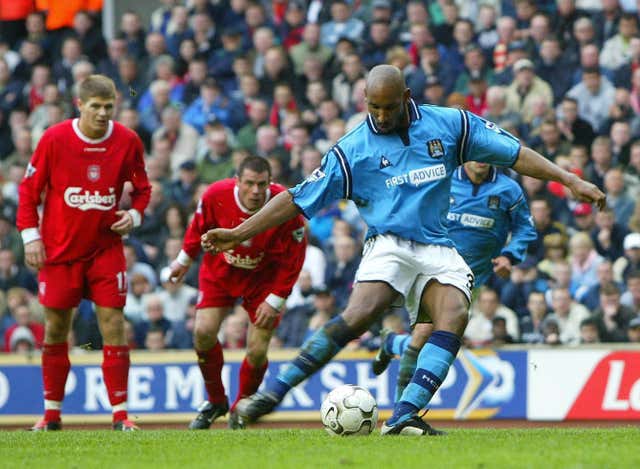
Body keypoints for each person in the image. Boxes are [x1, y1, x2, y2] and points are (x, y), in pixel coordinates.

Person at [202, 65, 605, 436]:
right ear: (364, 101)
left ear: (407, 96)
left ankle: (403, 415)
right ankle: (273, 392)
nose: (380, 116)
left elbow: (514, 153)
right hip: (389, 243)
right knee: (360, 313)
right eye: (373, 107)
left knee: (454, 315)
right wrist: (239, 234)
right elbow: (296, 198)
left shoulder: (450, 124)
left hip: (438, 245)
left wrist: (570, 179)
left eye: (389, 107)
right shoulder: (352, 150)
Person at [16, 74, 151, 431]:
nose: (104, 114)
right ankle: (51, 414)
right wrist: (31, 237)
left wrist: (134, 215)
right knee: (57, 328)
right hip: (60, 252)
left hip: (105, 251)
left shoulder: (127, 141)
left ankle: (121, 415)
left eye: (109, 107)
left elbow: (142, 188)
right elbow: (29, 191)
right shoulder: (55, 139)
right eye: (96, 107)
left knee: (113, 326)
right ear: (80, 105)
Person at [372, 161, 536, 401]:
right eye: (476, 153)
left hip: (473, 279)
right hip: (432, 269)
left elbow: (525, 229)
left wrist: (509, 255)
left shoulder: (508, 190)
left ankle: (393, 343)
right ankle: (401, 411)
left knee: (434, 339)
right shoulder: (441, 179)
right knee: (425, 332)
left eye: (486, 153)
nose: (481, 159)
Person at [168, 156, 306, 430]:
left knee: (256, 351)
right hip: (221, 271)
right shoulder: (215, 195)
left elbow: (296, 255)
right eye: (249, 184)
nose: (255, 191)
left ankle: (240, 409)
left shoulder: (284, 204)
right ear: (237, 181)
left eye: (261, 184)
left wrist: (277, 297)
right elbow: (198, 228)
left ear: (270, 182)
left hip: (264, 280)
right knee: (203, 332)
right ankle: (216, 401)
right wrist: (183, 260)